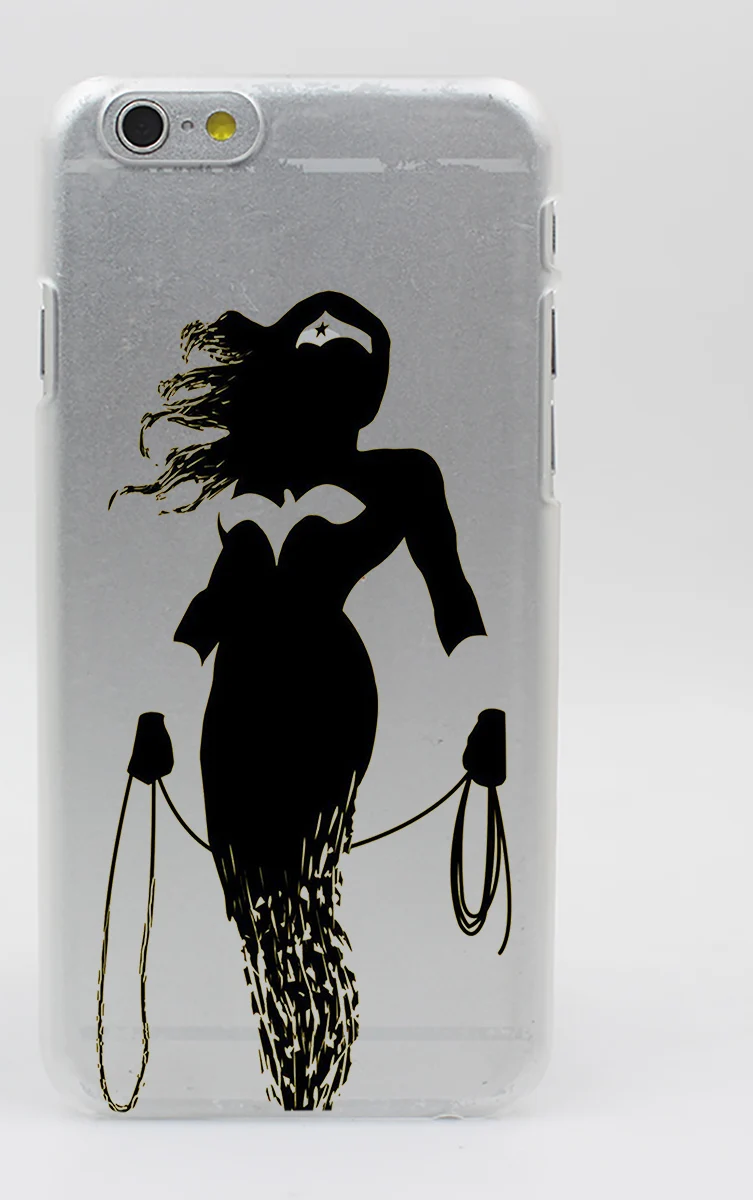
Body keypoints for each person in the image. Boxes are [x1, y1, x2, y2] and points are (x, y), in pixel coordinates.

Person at [115, 292, 486, 1109]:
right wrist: (156, 709)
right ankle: (296, 1074)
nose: (326, 360)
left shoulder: (403, 474)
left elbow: (453, 601)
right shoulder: (253, 483)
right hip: (235, 698)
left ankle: (318, 1068)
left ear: (371, 387)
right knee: (256, 907)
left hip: (326, 691)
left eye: (349, 353)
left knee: (305, 893)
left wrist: (486, 709)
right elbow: (213, 606)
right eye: (311, 347)